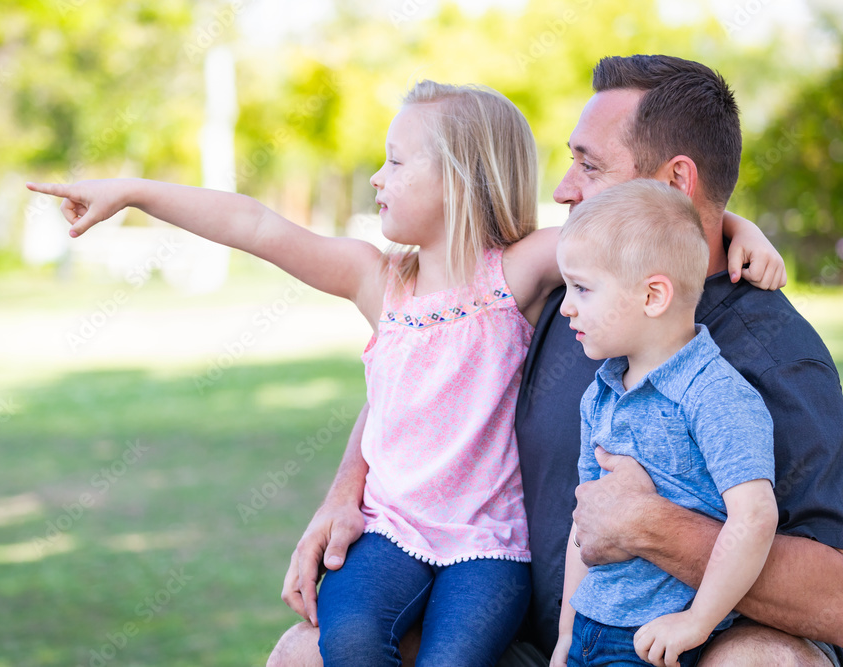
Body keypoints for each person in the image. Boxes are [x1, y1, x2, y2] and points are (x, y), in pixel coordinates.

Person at [271, 55, 843, 666]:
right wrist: (346, 493)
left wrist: (651, 527)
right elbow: (425, 370)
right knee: (304, 652)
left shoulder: (774, 358)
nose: (562, 189)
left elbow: (835, 598)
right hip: (535, 643)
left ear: (676, 182)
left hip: (665, 650)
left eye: (589, 166)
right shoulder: (572, 292)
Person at [30, 80, 569, 665]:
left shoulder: (517, 273)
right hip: (389, 533)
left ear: (461, 178)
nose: (376, 177)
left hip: (489, 547)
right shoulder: (378, 281)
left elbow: (623, 230)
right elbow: (256, 226)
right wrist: (135, 192)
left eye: (395, 162)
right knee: (350, 639)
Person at [549, 179, 779, 667]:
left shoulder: (715, 395)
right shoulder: (601, 392)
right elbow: (585, 519)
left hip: (650, 640)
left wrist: (697, 621)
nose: (566, 305)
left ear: (653, 296)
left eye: (582, 288)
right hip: (589, 626)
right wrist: (567, 631)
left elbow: (755, 516)